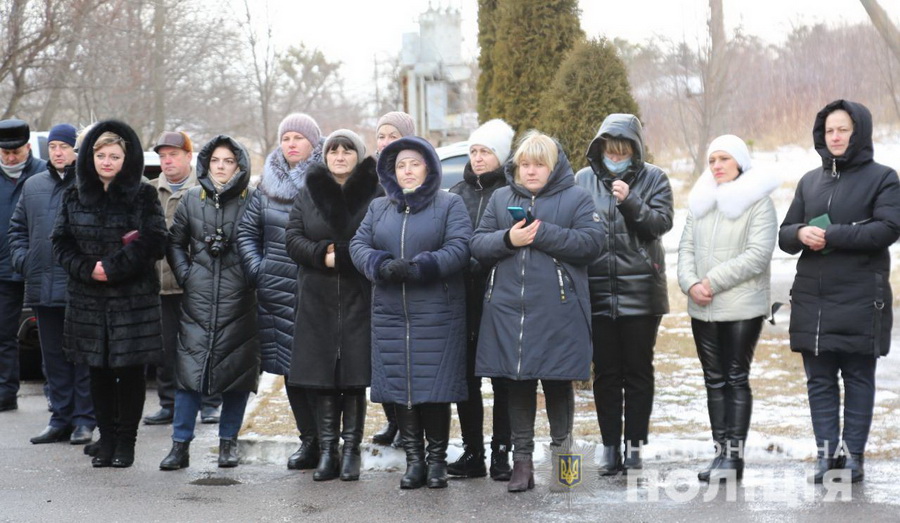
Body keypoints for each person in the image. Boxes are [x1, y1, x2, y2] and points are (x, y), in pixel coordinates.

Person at [471, 130, 601, 493]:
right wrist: (508, 239)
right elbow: (477, 245)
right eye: (524, 165)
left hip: (558, 312)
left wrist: (540, 233)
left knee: (558, 385)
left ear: (553, 167)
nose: (530, 172)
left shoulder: (577, 197)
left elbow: (591, 244)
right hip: (508, 311)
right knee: (518, 385)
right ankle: (522, 465)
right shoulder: (500, 199)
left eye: (538, 165)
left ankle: (565, 464)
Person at [779, 100, 900, 484]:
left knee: (859, 379)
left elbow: (887, 229)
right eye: (830, 130)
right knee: (819, 381)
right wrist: (800, 233)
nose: (835, 136)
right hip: (813, 300)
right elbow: (784, 234)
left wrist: (831, 235)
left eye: (843, 129)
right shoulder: (809, 181)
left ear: (858, 132)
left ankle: (854, 458)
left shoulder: (884, 178)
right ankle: (826, 455)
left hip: (862, 297)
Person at [350, 136, 471, 489]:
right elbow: (358, 245)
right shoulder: (379, 208)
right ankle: (414, 461)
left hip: (436, 313)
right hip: (391, 314)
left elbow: (460, 247)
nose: (407, 171)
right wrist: (379, 264)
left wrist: (422, 267)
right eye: (400, 165)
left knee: (434, 390)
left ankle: (436, 461)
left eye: (414, 163)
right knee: (402, 389)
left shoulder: (449, 204)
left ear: (429, 167)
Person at [52, 120, 167, 468]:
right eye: (101, 155)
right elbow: (61, 241)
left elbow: (156, 239)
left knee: (130, 372)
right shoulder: (74, 192)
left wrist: (114, 267)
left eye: (114, 156)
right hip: (88, 298)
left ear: (125, 158)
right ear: (90, 157)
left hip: (133, 299)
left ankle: (126, 443)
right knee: (97, 371)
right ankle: (107, 440)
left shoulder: (143, 193)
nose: (107, 162)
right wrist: (89, 269)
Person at [574, 113, 673, 474]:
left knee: (637, 371)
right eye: (609, 152)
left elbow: (659, 225)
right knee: (606, 372)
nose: (615, 159)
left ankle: (634, 447)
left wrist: (631, 200)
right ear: (599, 150)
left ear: (635, 150)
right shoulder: (583, 180)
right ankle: (610, 447)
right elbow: (575, 228)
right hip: (597, 289)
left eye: (623, 152)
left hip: (641, 291)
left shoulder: (655, 178)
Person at [677, 135, 779, 482]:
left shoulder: (758, 203)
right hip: (702, 308)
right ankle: (720, 454)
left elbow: (757, 255)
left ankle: (734, 459)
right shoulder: (701, 202)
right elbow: (685, 248)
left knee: (735, 378)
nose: (717, 165)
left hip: (741, 308)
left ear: (739, 162)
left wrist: (711, 281)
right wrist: (691, 284)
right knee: (713, 380)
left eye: (724, 159)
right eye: (712, 160)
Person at [284, 129, 382, 481]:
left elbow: (378, 237)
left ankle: (352, 450)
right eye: (333, 151)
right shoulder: (308, 192)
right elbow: (292, 238)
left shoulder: (376, 192)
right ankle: (328, 451)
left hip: (359, 294)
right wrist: (318, 255)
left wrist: (339, 255)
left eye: (347, 151)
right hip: (316, 297)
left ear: (358, 155)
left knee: (353, 378)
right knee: (323, 378)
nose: (339, 156)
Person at [160, 135, 259, 470]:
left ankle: (227, 443)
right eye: (215, 161)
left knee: (236, 375)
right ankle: (179, 445)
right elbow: (175, 242)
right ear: (205, 163)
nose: (221, 167)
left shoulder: (252, 199)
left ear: (239, 165)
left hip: (240, 300)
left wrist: (250, 277)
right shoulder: (191, 199)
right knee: (189, 374)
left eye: (228, 161)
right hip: (198, 300)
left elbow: (264, 243)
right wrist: (188, 276)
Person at [236, 113, 322, 471]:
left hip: (317, 291)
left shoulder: (325, 183)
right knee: (291, 372)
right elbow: (246, 234)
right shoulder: (265, 187)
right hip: (276, 293)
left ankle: (330, 442)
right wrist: (260, 271)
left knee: (320, 371)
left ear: (313, 144)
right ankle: (309, 441)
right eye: (286, 137)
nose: (291, 144)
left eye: (298, 138)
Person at [10, 124, 95, 444]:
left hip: (80, 288)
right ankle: (60, 417)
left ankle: (85, 419)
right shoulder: (33, 186)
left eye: (65, 147)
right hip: (42, 287)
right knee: (53, 359)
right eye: (54, 147)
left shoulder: (90, 186)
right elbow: (17, 229)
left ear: (77, 150)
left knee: (82, 357)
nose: (58, 153)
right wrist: (24, 261)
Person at [446, 119, 515, 481]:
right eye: (473, 151)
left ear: (500, 156)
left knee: (502, 378)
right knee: (466, 377)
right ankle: (473, 452)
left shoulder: (511, 190)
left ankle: (502, 453)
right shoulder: (457, 191)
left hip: (501, 294)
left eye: (485, 151)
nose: (477, 158)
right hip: (463, 296)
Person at [144, 131, 221, 426]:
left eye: (173, 154)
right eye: (162, 156)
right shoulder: (149, 192)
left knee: (203, 344)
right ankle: (168, 403)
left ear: (189, 156)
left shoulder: (205, 189)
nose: (167, 161)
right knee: (165, 348)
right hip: (160, 284)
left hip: (197, 284)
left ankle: (210, 402)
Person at [370, 110, 415, 448]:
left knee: (406, 358)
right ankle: (392, 420)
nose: (385, 142)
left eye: (392, 135)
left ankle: (408, 424)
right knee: (382, 359)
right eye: (381, 136)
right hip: (375, 272)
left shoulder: (414, 173)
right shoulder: (370, 178)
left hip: (407, 277)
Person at [0, 118, 46, 413]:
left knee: (51, 336)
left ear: (28, 147)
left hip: (39, 266)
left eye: (15, 151)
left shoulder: (43, 173)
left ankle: (57, 395)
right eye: (5, 152)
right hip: (3, 269)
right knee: (3, 334)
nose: (10, 157)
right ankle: (6, 392)